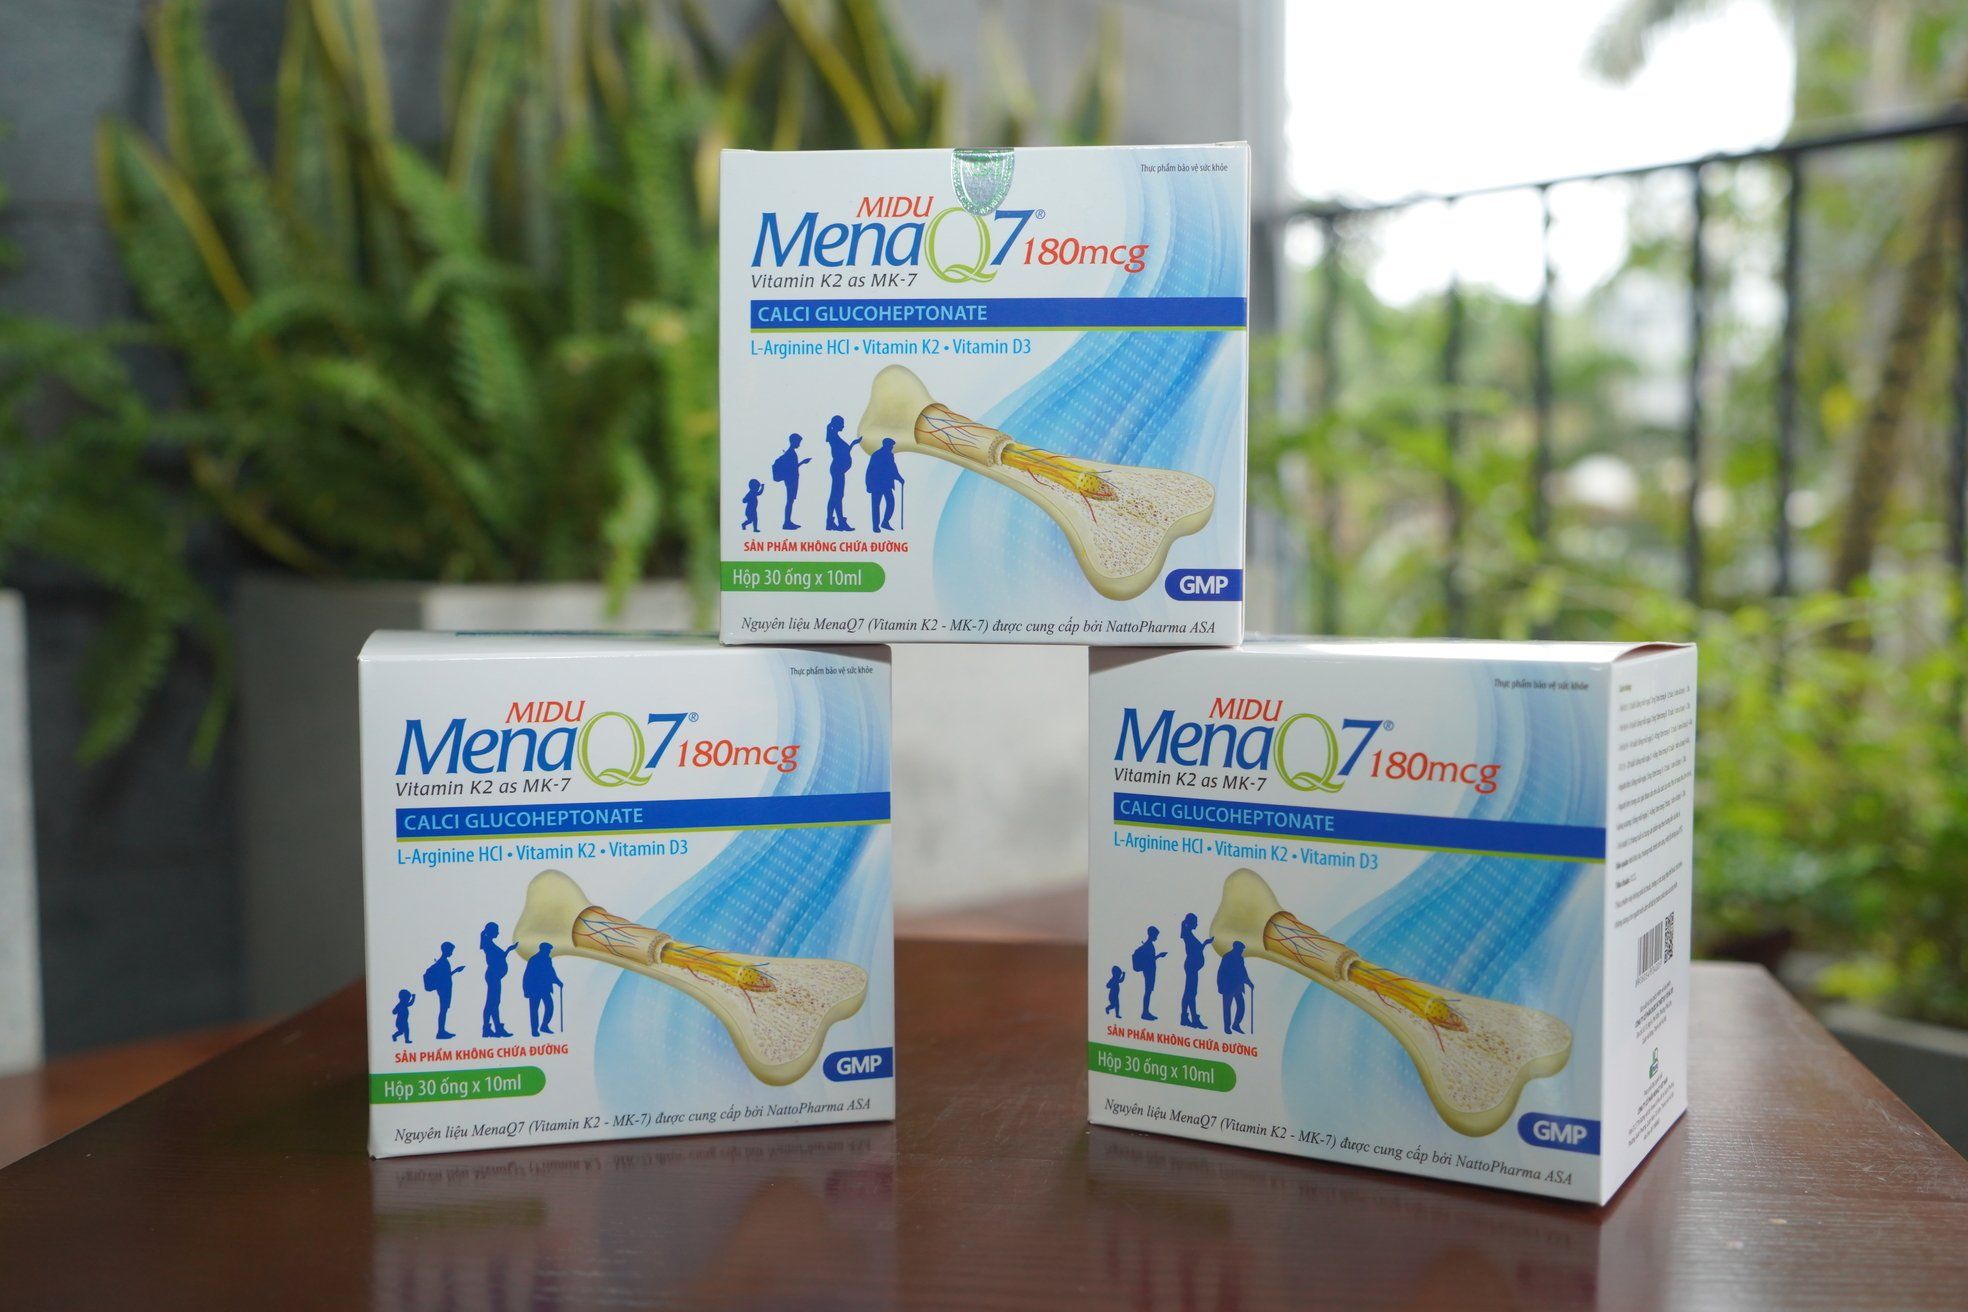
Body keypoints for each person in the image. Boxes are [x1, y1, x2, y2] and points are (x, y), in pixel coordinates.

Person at [480, 922, 518, 1039]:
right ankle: (490, 1028)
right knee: (492, 1002)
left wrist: (509, 950)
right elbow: (495, 959)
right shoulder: (488, 943)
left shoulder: (489, 943)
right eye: (496, 930)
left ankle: (495, 1028)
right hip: (493, 976)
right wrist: (508, 950)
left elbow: (499, 957)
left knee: (494, 1002)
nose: (498, 933)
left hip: (495, 976)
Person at [423, 941, 465, 1040]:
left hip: (445, 989)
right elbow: (444, 977)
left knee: (444, 1010)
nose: (452, 953)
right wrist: (456, 971)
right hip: (444, 990)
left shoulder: (443, 962)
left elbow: (446, 976)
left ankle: (442, 1030)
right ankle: (441, 1031)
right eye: (451, 950)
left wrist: (456, 970)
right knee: (443, 1010)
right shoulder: (443, 962)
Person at [1179, 912, 1214, 1029]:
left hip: (1193, 966)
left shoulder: (1190, 934)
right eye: (1195, 922)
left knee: (1188, 992)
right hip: (1191, 966)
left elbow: (1197, 950)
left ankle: (1185, 1017)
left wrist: (1205, 943)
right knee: (1191, 993)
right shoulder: (1187, 934)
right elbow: (1193, 951)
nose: (1197, 924)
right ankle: (1194, 1018)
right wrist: (1185, 922)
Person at [771, 434, 811, 530]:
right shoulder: (791, 453)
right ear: (794, 441)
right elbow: (792, 468)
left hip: (791, 479)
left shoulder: (790, 453)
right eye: (798, 442)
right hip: (791, 480)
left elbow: (792, 467)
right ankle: (787, 523)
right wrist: (803, 462)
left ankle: (788, 521)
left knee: (790, 501)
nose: (799, 444)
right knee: (789, 501)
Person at [523, 942, 563, 1037]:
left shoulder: (548, 960)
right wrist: (526, 990)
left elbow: (551, 972)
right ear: (543, 950)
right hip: (534, 989)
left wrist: (557, 981)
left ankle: (544, 1026)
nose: (549, 952)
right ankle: (534, 1030)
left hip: (545, 988)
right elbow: (527, 975)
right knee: (534, 1010)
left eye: (549, 950)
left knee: (549, 1007)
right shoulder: (534, 960)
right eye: (548, 950)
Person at [865, 437, 904, 533]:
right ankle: (875, 526)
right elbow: (870, 470)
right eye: (891, 446)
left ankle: (885, 522)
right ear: (886, 445)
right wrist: (868, 485)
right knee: (876, 506)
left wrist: (899, 478)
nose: (892, 447)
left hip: (887, 484)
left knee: (891, 503)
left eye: (892, 446)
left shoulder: (890, 455)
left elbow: (893, 468)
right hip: (876, 484)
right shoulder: (877, 455)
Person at [824, 416, 855, 531]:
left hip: (839, 470)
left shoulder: (835, 436)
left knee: (837, 496)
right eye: (842, 423)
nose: (843, 426)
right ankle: (836, 521)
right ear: (836, 424)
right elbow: (840, 453)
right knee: (836, 496)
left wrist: (853, 444)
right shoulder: (833, 436)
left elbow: (844, 452)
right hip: (837, 469)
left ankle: (837, 521)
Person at [1131, 926, 1167, 1022]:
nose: (1156, 937)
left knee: (1148, 991)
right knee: (1148, 992)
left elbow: (1150, 959)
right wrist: (1159, 956)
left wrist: (1158, 956)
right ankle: (1145, 1012)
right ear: (1151, 934)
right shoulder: (1148, 946)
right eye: (1156, 935)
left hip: (1149, 971)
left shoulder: (1149, 945)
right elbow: (1150, 960)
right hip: (1149, 972)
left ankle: (1146, 1012)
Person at [1217, 940, 1253, 1035]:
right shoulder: (1227, 957)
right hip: (1227, 987)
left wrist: (1249, 982)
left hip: (1237, 987)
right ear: (1236, 948)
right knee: (1227, 1008)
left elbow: (1243, 972)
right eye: (1241, 949)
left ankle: (1236, 1025)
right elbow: (1221, 972)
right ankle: (1227, 1027)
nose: (1242, 951)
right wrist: (1220, 986)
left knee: (1241, 1006)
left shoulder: (1240, 958)